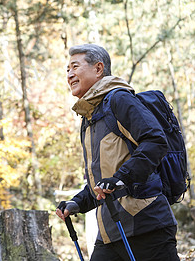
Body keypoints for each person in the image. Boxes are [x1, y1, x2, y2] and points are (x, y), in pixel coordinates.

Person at [56, 44, 180, 260]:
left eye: (75, 66)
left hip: (147, 226)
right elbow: (103, 182)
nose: (69, 74)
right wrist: (77, 203)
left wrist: (121, 178)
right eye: (67, 69)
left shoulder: (119, 100)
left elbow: (155, 141)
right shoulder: (89, 119)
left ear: (98, 69)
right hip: (110, 233)